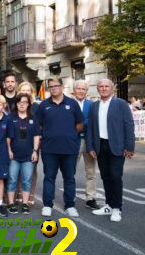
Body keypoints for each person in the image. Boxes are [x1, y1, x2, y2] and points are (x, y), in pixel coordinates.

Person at [88, 79, 135, 222]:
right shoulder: (94, 106)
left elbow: (129, 125)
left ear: (112, 89)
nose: (103, 89)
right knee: (105, 176)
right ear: (97, 89)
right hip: (100, 145)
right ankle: (108, 205)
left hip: (117, 146)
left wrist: (129, 146)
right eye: (101, 86)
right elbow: (90, 128)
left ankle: (116, 208)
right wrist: (90, 146)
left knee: (115, 176)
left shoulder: (121, 104)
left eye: (106, 86)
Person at [36, 77, 84, 218]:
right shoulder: (44, 105)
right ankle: (47, 205)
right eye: (51, 86)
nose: (54, 88)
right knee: (49, 177)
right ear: (48, 88)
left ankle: (70, 205)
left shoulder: (72, 104)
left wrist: (70, 135)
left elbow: (79, 123)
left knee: (69, 178)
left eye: (56, 85)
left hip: (69, 149)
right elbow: (39, 125)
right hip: (49, 149)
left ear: (62, 87)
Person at [6, 93, 40, 215]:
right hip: (14, 156)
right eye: (20, 102)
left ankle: (25, 204)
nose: (22, 104)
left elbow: (36, 135)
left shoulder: (33, 118)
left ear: (28, 104)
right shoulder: (10, 118)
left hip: (28, 156)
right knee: (12, 179)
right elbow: (8, 137)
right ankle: (11, 203)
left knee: (27, 180)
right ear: (16, 104)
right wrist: (9, 150)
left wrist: (35, 151)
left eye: (25, 102)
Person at [71, 80, 99, 210]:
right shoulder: (69, 103)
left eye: (83, 89)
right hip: (73, 141)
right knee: (70, 170)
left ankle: (90, 198)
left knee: (91, 171)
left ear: (86, 91)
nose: (81, 91)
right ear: (74, 90)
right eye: (79, 89)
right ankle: (70, 196)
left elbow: (93, 122)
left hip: (89, 141)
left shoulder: (91, 105)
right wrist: (84, 122)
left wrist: (80, 122)